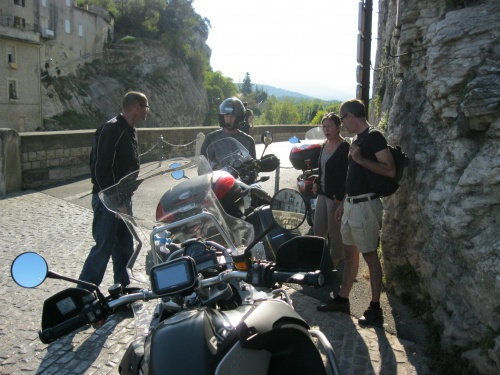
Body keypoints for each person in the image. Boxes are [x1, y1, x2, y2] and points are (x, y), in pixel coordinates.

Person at [317, 99, 395, 326]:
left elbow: (389, 170)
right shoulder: (358, 139)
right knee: (351, 254)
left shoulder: (374, 137)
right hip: (351, 204)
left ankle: (375, 309)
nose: (342, 123)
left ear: (351, 116)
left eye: (342, 119)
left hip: (365, 206)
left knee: (370, 255)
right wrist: (344, 201)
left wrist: (361, 159)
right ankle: (342, 299)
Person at [78, 91, 149, 290]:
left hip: (122, 200)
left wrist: (123, 201)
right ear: (136, 107)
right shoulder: (111, 129)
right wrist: (115, 203)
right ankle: (83, 295)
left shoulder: (129, 131)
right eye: (146, 107)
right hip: (108, 201)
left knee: (125, 247)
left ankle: (123, 289)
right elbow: (100, 170)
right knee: (103, 248)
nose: (147, 112)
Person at [312, 112, 349, 271]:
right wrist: (315, 181)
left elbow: (348, 174)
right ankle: (320, 258)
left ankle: (335, 263)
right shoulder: (324, 145)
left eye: (330, 126)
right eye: (324, 126)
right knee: (318, 230)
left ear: (338, 127)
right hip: (322, 194)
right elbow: (322, 169)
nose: (326, 129)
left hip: (335, 197)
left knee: (335, 234)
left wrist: (341, 196)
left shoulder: (345, 147)